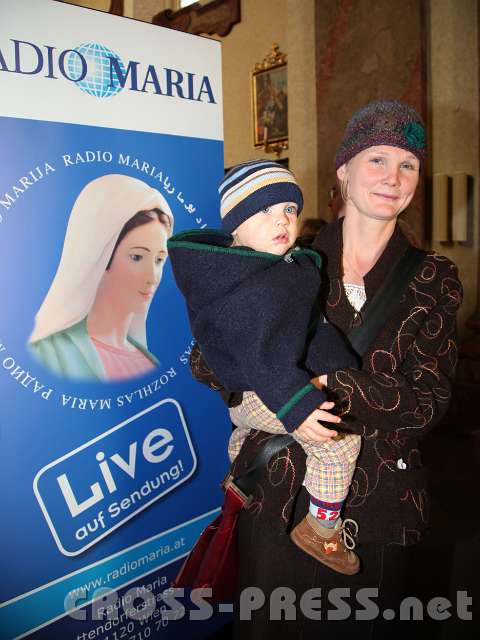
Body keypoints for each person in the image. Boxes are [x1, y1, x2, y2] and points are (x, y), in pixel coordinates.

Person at [190, 101, 463, 639]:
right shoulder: (286, 258)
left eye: (408, 164)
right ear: (344, 169)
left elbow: (427, 402)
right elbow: (208, 359)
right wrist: (269, 388)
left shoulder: (433, 278)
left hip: (382, 509)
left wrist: (327, 385)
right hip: (279, 498)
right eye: (377, 159)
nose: (392, 177)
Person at [168, 160, 362, 574]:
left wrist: (343, 370)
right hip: (259, 388)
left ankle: (242, 445)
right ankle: (321, 529)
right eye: (265, 212)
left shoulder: (278, 269)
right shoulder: (248, 284)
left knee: (322, 419)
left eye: (289, 210)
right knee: (338, 442)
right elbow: (262, 356)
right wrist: (299, 406)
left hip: (267, 385)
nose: (283, 222)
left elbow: (314, 331)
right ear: (236, 226)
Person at [29, 174, 174, 381]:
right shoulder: (49, 355)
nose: (152, 277)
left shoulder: (149, 363)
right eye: (137, 257)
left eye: (159, 260)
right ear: (99, 255)